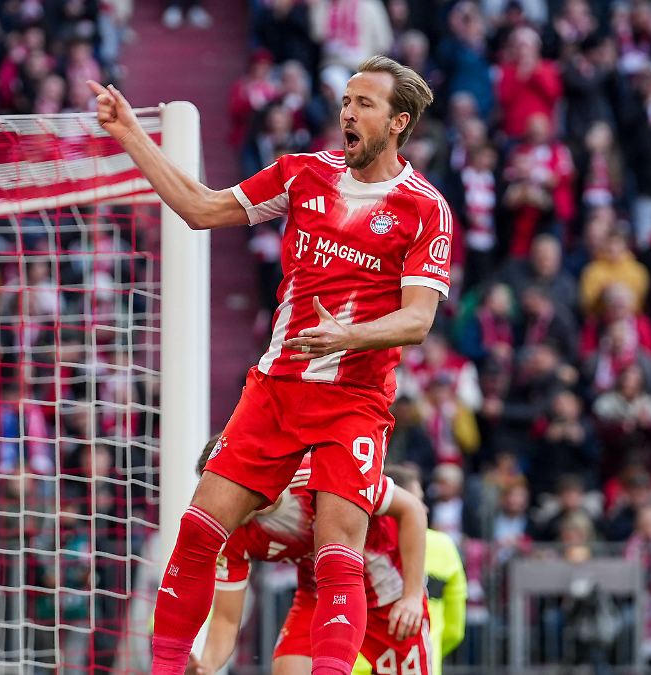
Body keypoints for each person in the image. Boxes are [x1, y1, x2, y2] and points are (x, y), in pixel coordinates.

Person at [89, 54, 451, 675]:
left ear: (399, 122)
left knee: (339, 555)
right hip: (277, 388)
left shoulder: (424, 208)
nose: (347, 113)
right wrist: (131, 136)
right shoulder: (302, 174)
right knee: (200, 528)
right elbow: (203, 209)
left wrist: (350, 336)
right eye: (346, 101)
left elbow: (418, 320)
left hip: (353, 402)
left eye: (364, 104)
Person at [184, 436, 430, 675]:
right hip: (319, 596)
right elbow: (226, 620)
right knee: (287, 667)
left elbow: (412, 508)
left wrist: (412, 596)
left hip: (386, 598)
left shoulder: (314, 471)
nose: (218, 502)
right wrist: (206, 666)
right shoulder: (232, 534)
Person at [353, 464, 468, 674]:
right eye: (417, 501)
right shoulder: (443, 546)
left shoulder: (357, 543)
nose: (423, 509)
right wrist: (432, 648)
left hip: (357, 662)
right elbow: (455, 628)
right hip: (416, 661)